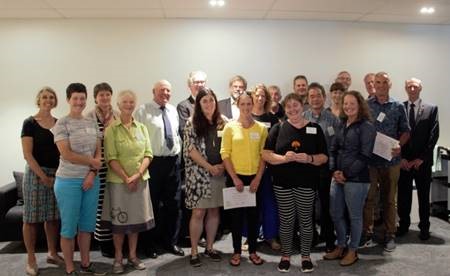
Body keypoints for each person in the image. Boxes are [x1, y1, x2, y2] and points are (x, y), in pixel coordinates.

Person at [262, 93, 328, 273]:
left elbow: (323, 157)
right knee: (286, 221)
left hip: (307, 183)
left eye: (295, 105)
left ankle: (306, 256)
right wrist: (283, 159)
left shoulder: (315, 128)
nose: (292, 109)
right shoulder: (278, 128)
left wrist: (309, 158)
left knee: (306, 221)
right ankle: (286, 255)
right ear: (285, 109)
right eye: (288, 106)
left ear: (303, 106)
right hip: (283, 184)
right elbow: (266, 154)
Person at [51, 83, 105, 275]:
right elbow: (66, 154)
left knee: (87, 226)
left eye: (82, 98)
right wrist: (92, 162)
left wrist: (91, 173)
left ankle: (85, 263)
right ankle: (69, 268)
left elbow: (99, 151)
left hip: (91, 181)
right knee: (69, 228)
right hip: (68, 182)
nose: (79, 102)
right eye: (75, 98)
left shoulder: (91, 121)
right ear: (68, 100)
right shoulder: (61, 123)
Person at [102, 90, 155, 274]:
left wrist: (137, 175)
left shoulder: (142, 127)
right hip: (118, 183)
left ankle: (132, 256)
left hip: (140, 181)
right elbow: (111, 157)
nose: (129, 104)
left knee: (135, 222)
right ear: (118, 105)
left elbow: (149, 153)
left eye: (132, 101)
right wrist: (126, 178)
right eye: (125, 101)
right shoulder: (111, 130)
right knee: (119, 224)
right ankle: (118, 257)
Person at [323, 91, 376, 266]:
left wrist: (346, 174)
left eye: (352, 103)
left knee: (354, 216)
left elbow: (365, 156)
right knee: (336, 213)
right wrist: (334, 171)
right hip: (337, 177)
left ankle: (353, 251)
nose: (348, 106)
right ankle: (340, 246)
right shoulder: (341, 124)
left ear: (360, 104)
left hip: (357, 179)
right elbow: (333, 149)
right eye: (345, 103)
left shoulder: (366, 127)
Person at [135, 80, 184, 257]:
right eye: (162, 90)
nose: (165, 93)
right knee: (152, 205)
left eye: (168, 91)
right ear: (153, 91)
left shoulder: (172, 110)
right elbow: (137, 137)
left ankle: (171, 242)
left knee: (174, 204)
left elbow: (176, 134)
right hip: (153, 163)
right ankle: (149, 245)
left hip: (173, 162)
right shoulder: (143, 110)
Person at [362, 72, 410, 252]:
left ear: (389, 84)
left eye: (384, 82)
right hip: (371, 161)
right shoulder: (366, 105)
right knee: (370, 198)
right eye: (377, 82)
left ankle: (390, 235)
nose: (380, 86)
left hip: (391, 160)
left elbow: (406, 131)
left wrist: (399, 145)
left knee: (389, 200)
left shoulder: (398, 106)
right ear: (373, 85)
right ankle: (368, 233)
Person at [220, 92, 268, 267]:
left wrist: (257, 178)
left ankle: (253, 251)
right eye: (243, 104)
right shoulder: (230, 127)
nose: (247, 107)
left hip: (255, 178)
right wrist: (234, 178)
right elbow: (224, 153)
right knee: (236, 218)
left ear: (253, 104)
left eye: (249, 104)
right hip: (236, 178)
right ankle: (236, 252)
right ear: (238, 106)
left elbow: (264, 155)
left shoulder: (261, 129)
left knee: (254, 217)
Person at [21, 87, 64, 276]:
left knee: (52, 217)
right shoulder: (29, 123)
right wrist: (43, 176)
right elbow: (27, 154)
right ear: (38, 100)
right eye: (44, 97)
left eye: (51, 97)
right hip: (35, 175)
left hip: (56, 174)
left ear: (55, 101)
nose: (48, 100)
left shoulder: (58, 123)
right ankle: (31, 259)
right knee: (31, 219)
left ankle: (52, 253)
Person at [183, 87, 226, 267]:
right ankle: (194, 251)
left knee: (214, 210)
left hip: (219, 173)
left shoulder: (223, 122)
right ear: (199, 104)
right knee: (199, 212)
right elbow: (190, 150)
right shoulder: (191, 123)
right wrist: (209, 167)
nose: (209, 104)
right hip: (199, 175)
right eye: (204, 101)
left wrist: (223, 166)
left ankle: (209, 247)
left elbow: (230, 147)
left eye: (211, 100)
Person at [397, 78, 439, 241]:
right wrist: (400, 158)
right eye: (409, 86)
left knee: (423, 195)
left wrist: (421, 159)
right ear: (405, 89)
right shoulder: (400, 108)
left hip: (422, 163)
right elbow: (395, 133)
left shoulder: (431, 109)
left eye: (415, 86)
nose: (412, 88)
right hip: (404, 162)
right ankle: (404, 225)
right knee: (403, 196)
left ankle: (424, 227)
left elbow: (433, 135)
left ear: (420, 88)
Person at [304, 82, 341, 252]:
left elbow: (337, 145)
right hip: (308, 169)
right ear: (308, 99)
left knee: (327, 205)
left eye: (318, 95)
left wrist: (334, 169)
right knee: (309, 205)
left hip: (327, 169)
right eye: (312, 96)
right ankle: (310, 237)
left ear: (324, 98)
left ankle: (328, 237)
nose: (315, 99)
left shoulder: (333, 119)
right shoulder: (303, 118)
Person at [86, 82, 119, 258]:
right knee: (100, 208)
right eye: (101, 95)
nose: (104, 98)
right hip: (97, 168)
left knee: (114, 205)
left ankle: (116, 242)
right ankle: (104, 243)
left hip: (115, 167)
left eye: (107, 94)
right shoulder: (89, 117)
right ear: (95, 98)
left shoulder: (118, 115)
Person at [251, 84, 280, 251]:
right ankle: (249, 236)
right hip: (249, 167)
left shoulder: (273, 119)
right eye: (257, 95)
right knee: (249, 204)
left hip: (269, 168)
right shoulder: (246, 118)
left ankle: (270, 236)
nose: (260, 98)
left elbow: (277, 144)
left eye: (263, 96)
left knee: (269, 203)